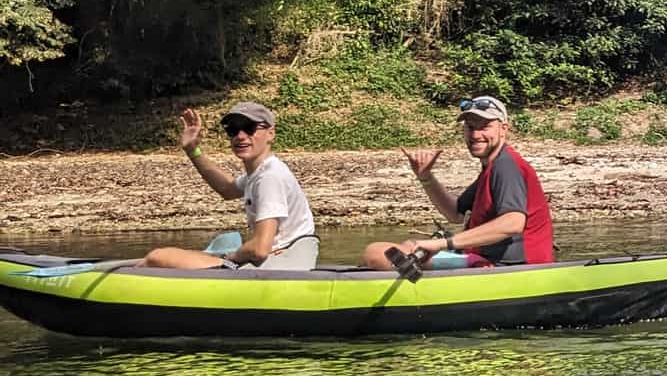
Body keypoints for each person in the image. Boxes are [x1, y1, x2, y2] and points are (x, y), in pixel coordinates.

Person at [361, 95, 554, 271]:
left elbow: (512, 223)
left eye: (484, 127)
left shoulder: (506, 166)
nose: (476, 134)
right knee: (404, 247)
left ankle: (428, 284)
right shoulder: (492, 167)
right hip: (484, 260)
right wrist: (425, 177)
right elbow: (455, 214)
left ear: (504, 129)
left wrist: (442, 244)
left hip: (513, 268)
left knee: (376, 254)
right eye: (470, 127)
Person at [143, 103, 320, 270]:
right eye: (233, 130)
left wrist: (231, 257)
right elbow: (227, 189)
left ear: (270, 134)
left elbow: (260, 249)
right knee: (163, 258)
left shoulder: (269, 177)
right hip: (279, 263)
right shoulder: (261, 173)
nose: (240, 136)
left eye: (249, 128)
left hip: (280, 268)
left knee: (158, 257)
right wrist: (192, 150)